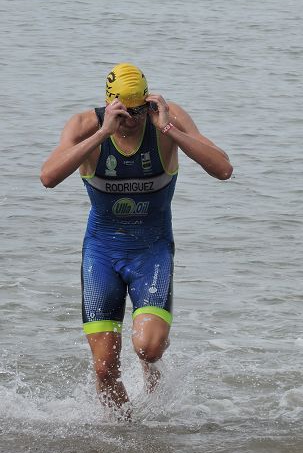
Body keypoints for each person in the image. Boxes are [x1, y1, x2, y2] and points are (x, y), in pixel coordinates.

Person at [40, 63, 233, 414]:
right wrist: (101, 135)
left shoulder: (166, 122)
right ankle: (126, 439)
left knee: (148, 348)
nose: (133, 119)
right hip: (101, 253)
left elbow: (223, 169)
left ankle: (152, 368)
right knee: (104, 368)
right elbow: (48, 177)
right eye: (125, 112)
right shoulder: (85, 126)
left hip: (151, 251)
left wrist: (169, 128)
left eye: (140, 109)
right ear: (111, 105)